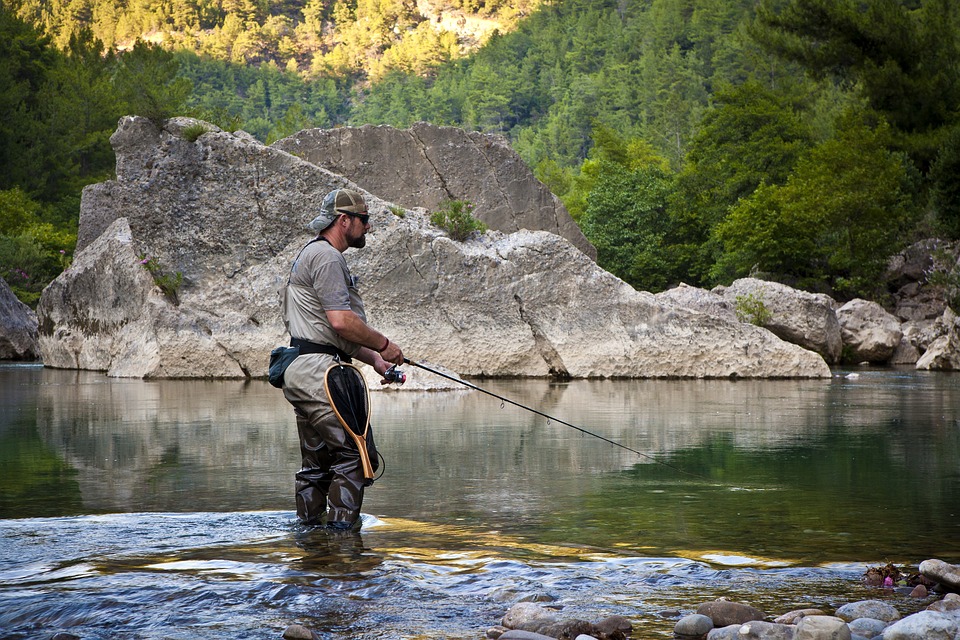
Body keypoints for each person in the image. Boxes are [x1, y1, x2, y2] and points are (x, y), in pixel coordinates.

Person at [280, 188, 404, 531]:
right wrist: (384, 345)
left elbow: (328, 333)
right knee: (354, 457)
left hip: (303, 370)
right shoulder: (328, 257)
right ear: (344, 220)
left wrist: (375, 361)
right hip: (321, 375)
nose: (368, 227)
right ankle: (342, 545)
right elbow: (341, 321)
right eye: (364, 220)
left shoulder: (312, 255)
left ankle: (310, 541)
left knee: (317, 464)